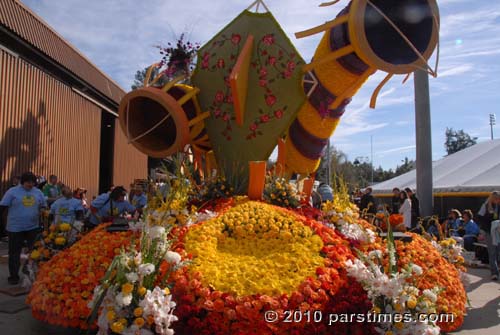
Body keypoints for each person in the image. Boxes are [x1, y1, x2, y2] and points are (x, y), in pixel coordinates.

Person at [0, 172, 46, 285]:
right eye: (28, 183)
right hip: (15, 228)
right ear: (22, 182)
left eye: (33, 183)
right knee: (14, 253)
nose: (30, 185)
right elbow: (2, 207)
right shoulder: (12, 192)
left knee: (34, 251)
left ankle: (29, 272)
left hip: (32, 227)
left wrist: (42, 210)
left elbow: (43, 206)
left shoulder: (38, 192)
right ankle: (14, 276)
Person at [477, 191, 500, 280]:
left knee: (498, 251)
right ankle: (494, 273)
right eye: (497, 199)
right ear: (494, 199)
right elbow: (479, 217)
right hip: (489, 232)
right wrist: (483, 230)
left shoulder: (499, 206)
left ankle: (497, 268)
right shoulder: (485, 206)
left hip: (498, 231)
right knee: (492, 252)